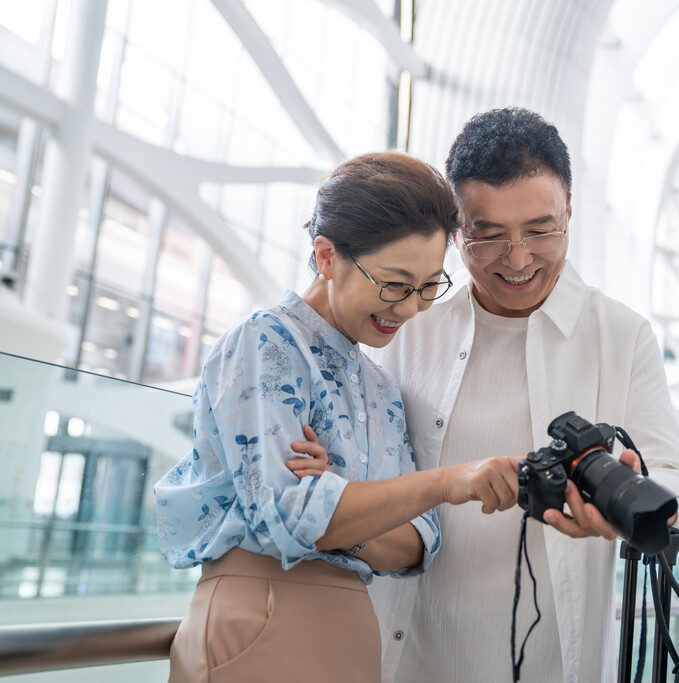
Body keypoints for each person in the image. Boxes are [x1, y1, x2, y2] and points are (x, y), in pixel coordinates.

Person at [366, 108, 679, 683]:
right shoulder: (410, 330)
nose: (519, 258)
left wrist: (630, 501)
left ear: (570, 213)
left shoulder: (620, 336)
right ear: (457, 232)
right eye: (489, 235)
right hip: (411, 657)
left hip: (555, 665)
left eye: (541, 229)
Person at [153, 152, 520, 683]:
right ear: (326, 257)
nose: (413, 307)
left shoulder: (379, 385)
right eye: (395, 284)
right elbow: (289, 515)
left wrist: (339, 501)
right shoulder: (264, 343)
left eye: (427, 286)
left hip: (353, 628)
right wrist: (437, 484)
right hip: (261, 613)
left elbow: (418, 544)